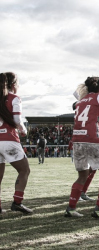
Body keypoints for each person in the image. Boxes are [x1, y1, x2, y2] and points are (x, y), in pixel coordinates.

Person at [64, 76, 99, 219]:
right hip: (94, 140)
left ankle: (71, 208)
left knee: (82, 175)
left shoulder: (80, 101)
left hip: (77, 140)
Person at [0, 72, 32, 214]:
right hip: (8, 140)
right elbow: (18, 121)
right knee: (24, 170)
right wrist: (24, 130)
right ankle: (17, 202)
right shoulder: (14, 98)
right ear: (13, 85)